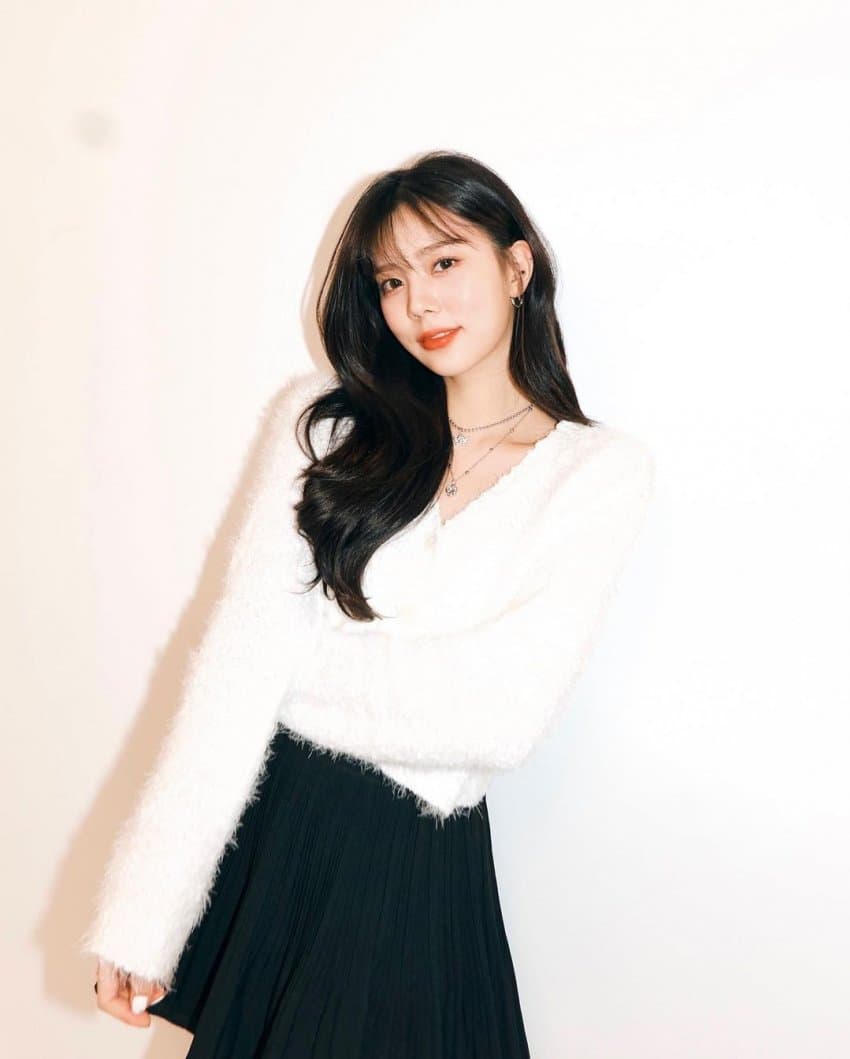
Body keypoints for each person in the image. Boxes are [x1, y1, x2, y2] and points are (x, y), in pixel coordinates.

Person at [81, 149, 655, 1057]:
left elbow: (499, 717)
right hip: (281, 838)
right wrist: (142, 916)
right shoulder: (327, 423)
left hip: (412, 865)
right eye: (391, 279)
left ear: (516, 266)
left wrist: (282, 664)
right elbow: (228, 683)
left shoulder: (596, 473)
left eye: (444, 261)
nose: (419, 301)